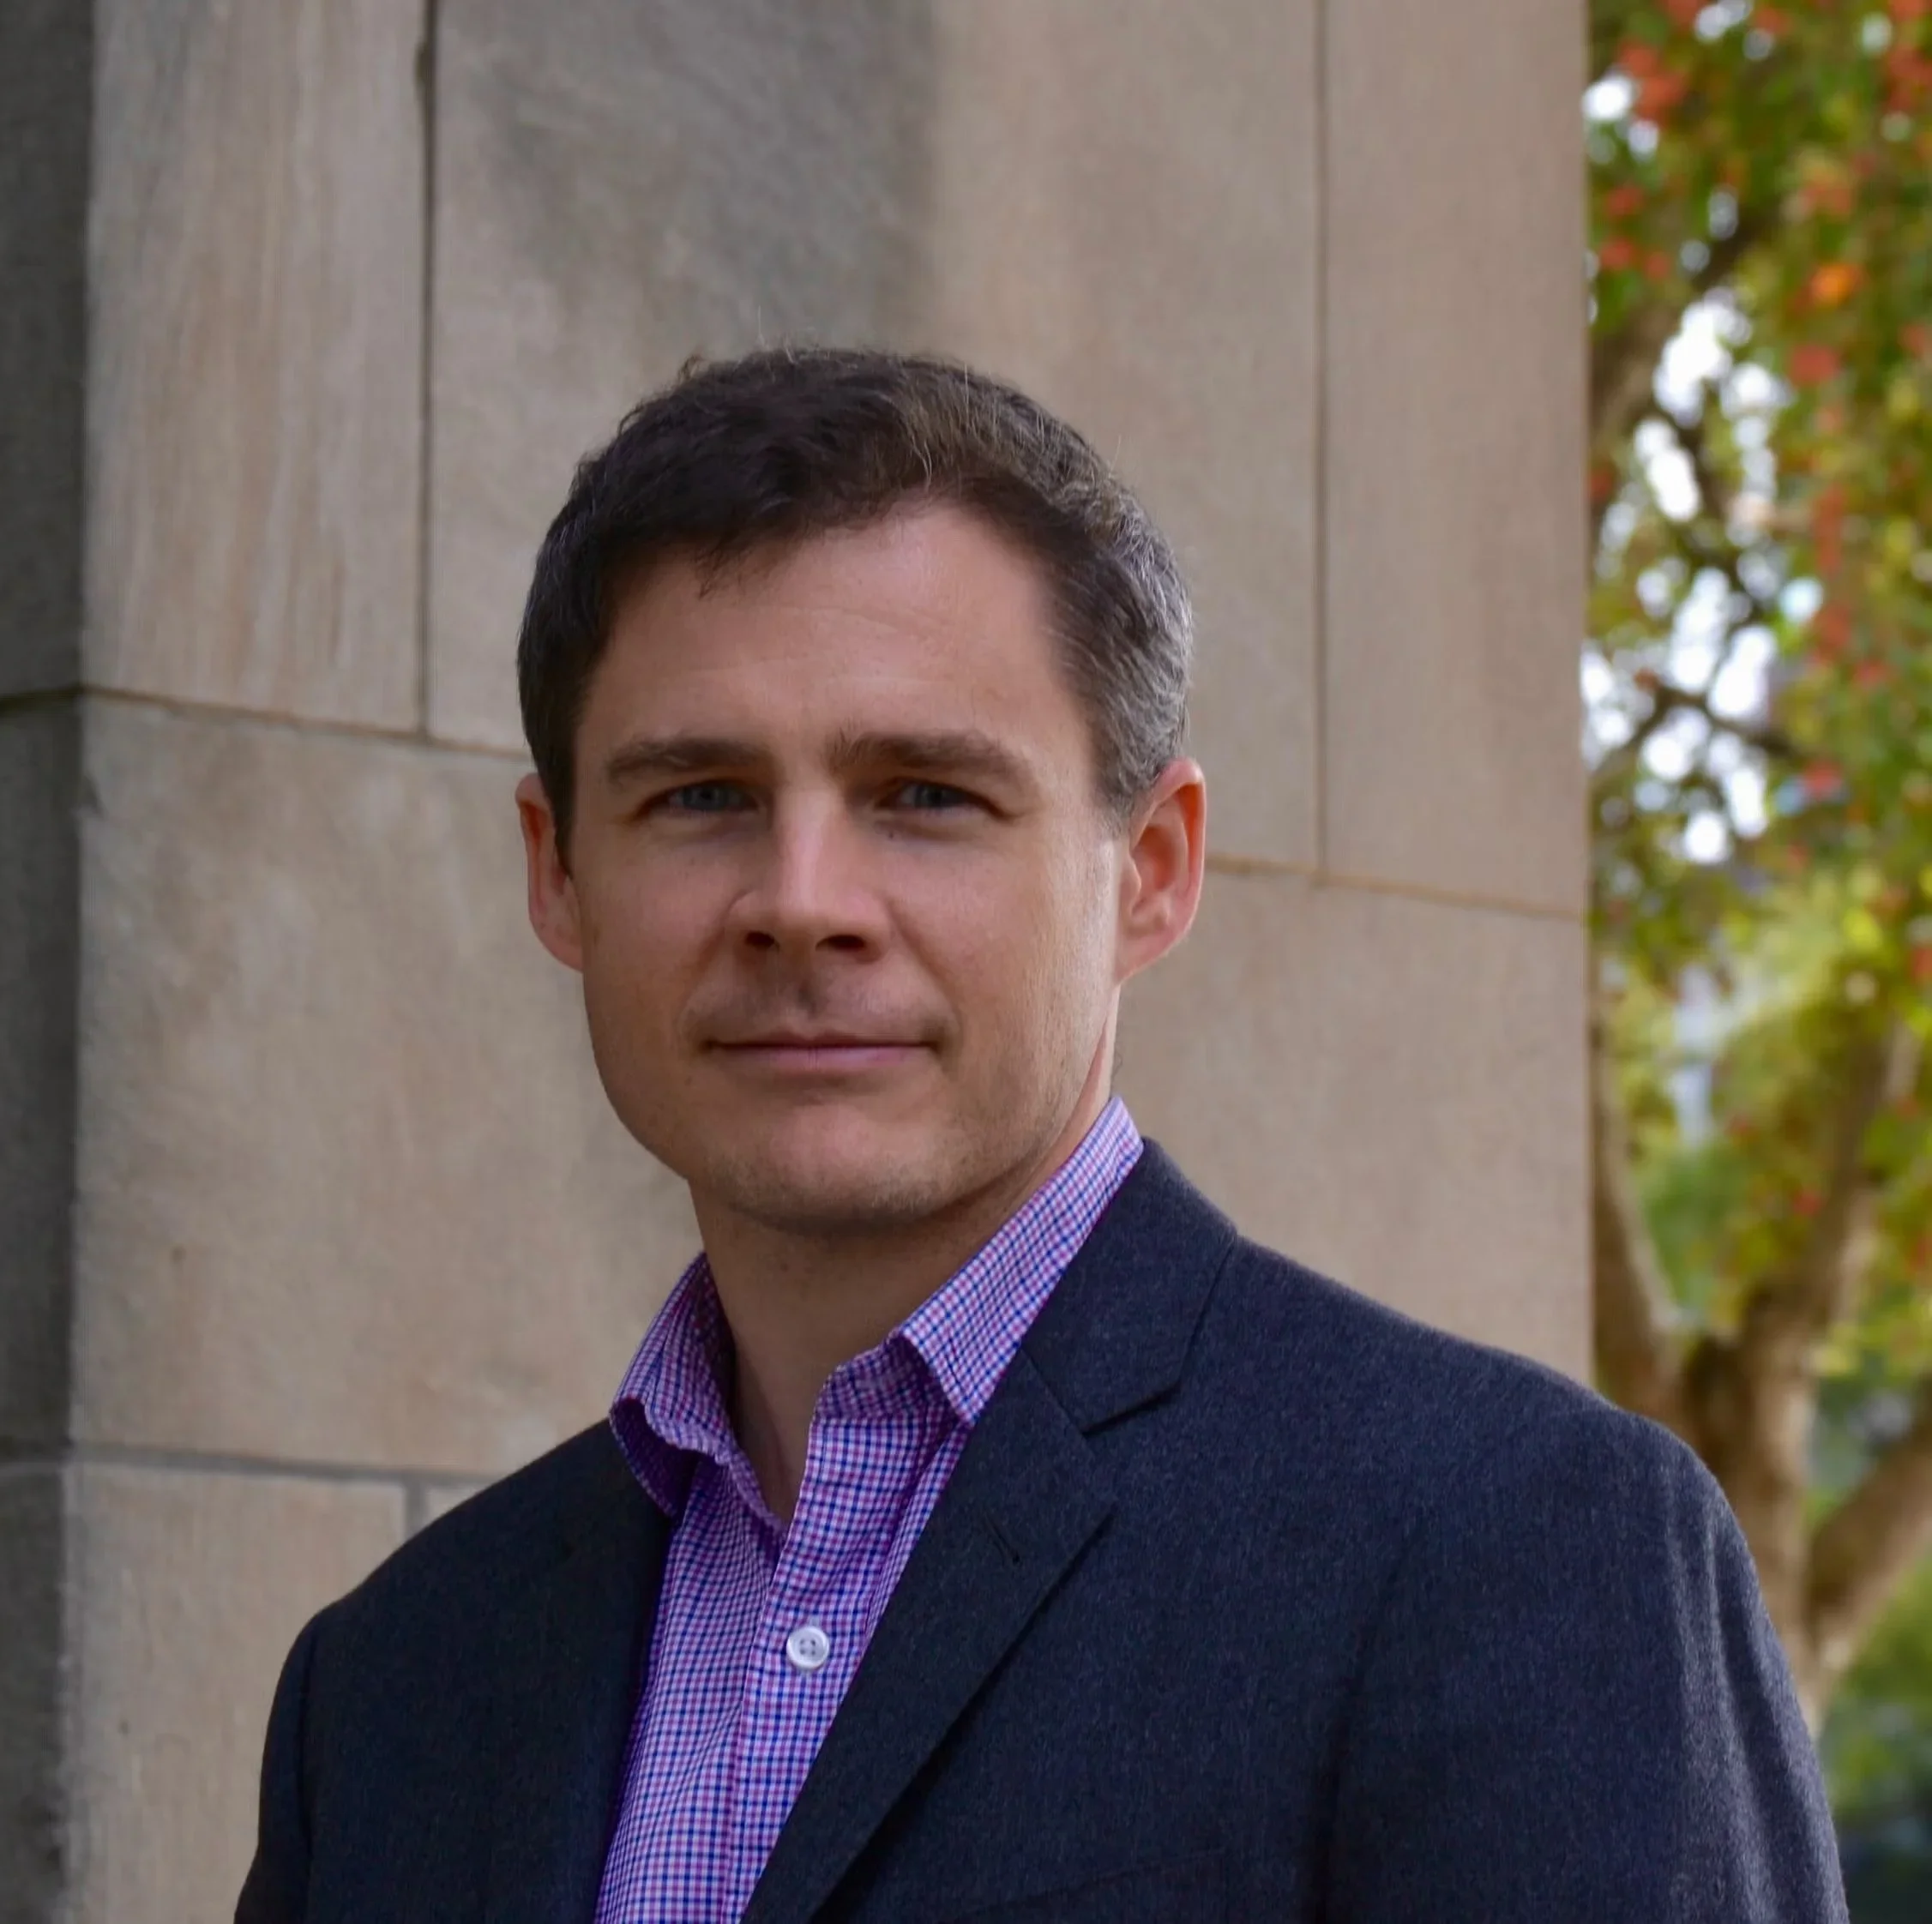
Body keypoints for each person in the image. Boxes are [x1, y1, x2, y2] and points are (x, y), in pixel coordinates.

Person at [236, 347, 1846, 1923]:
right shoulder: (387, 1688)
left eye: (925, 795)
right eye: (702, 796)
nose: (802, 903)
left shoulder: (1517, 1552)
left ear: (1150, 867)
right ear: (559, 871)